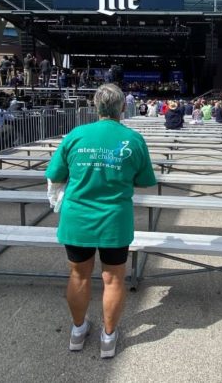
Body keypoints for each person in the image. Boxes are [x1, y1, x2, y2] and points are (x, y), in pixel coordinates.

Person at [45, 84, 156, 359]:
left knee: (79, 275)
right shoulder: (133, 138)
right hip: (114, 220)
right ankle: (108, 338)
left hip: (78, 217)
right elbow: (145, 181)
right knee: (114, 279)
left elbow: (55, 175)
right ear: (122, 107)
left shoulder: (76, 135)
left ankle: (78, 331)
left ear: (96, 107)